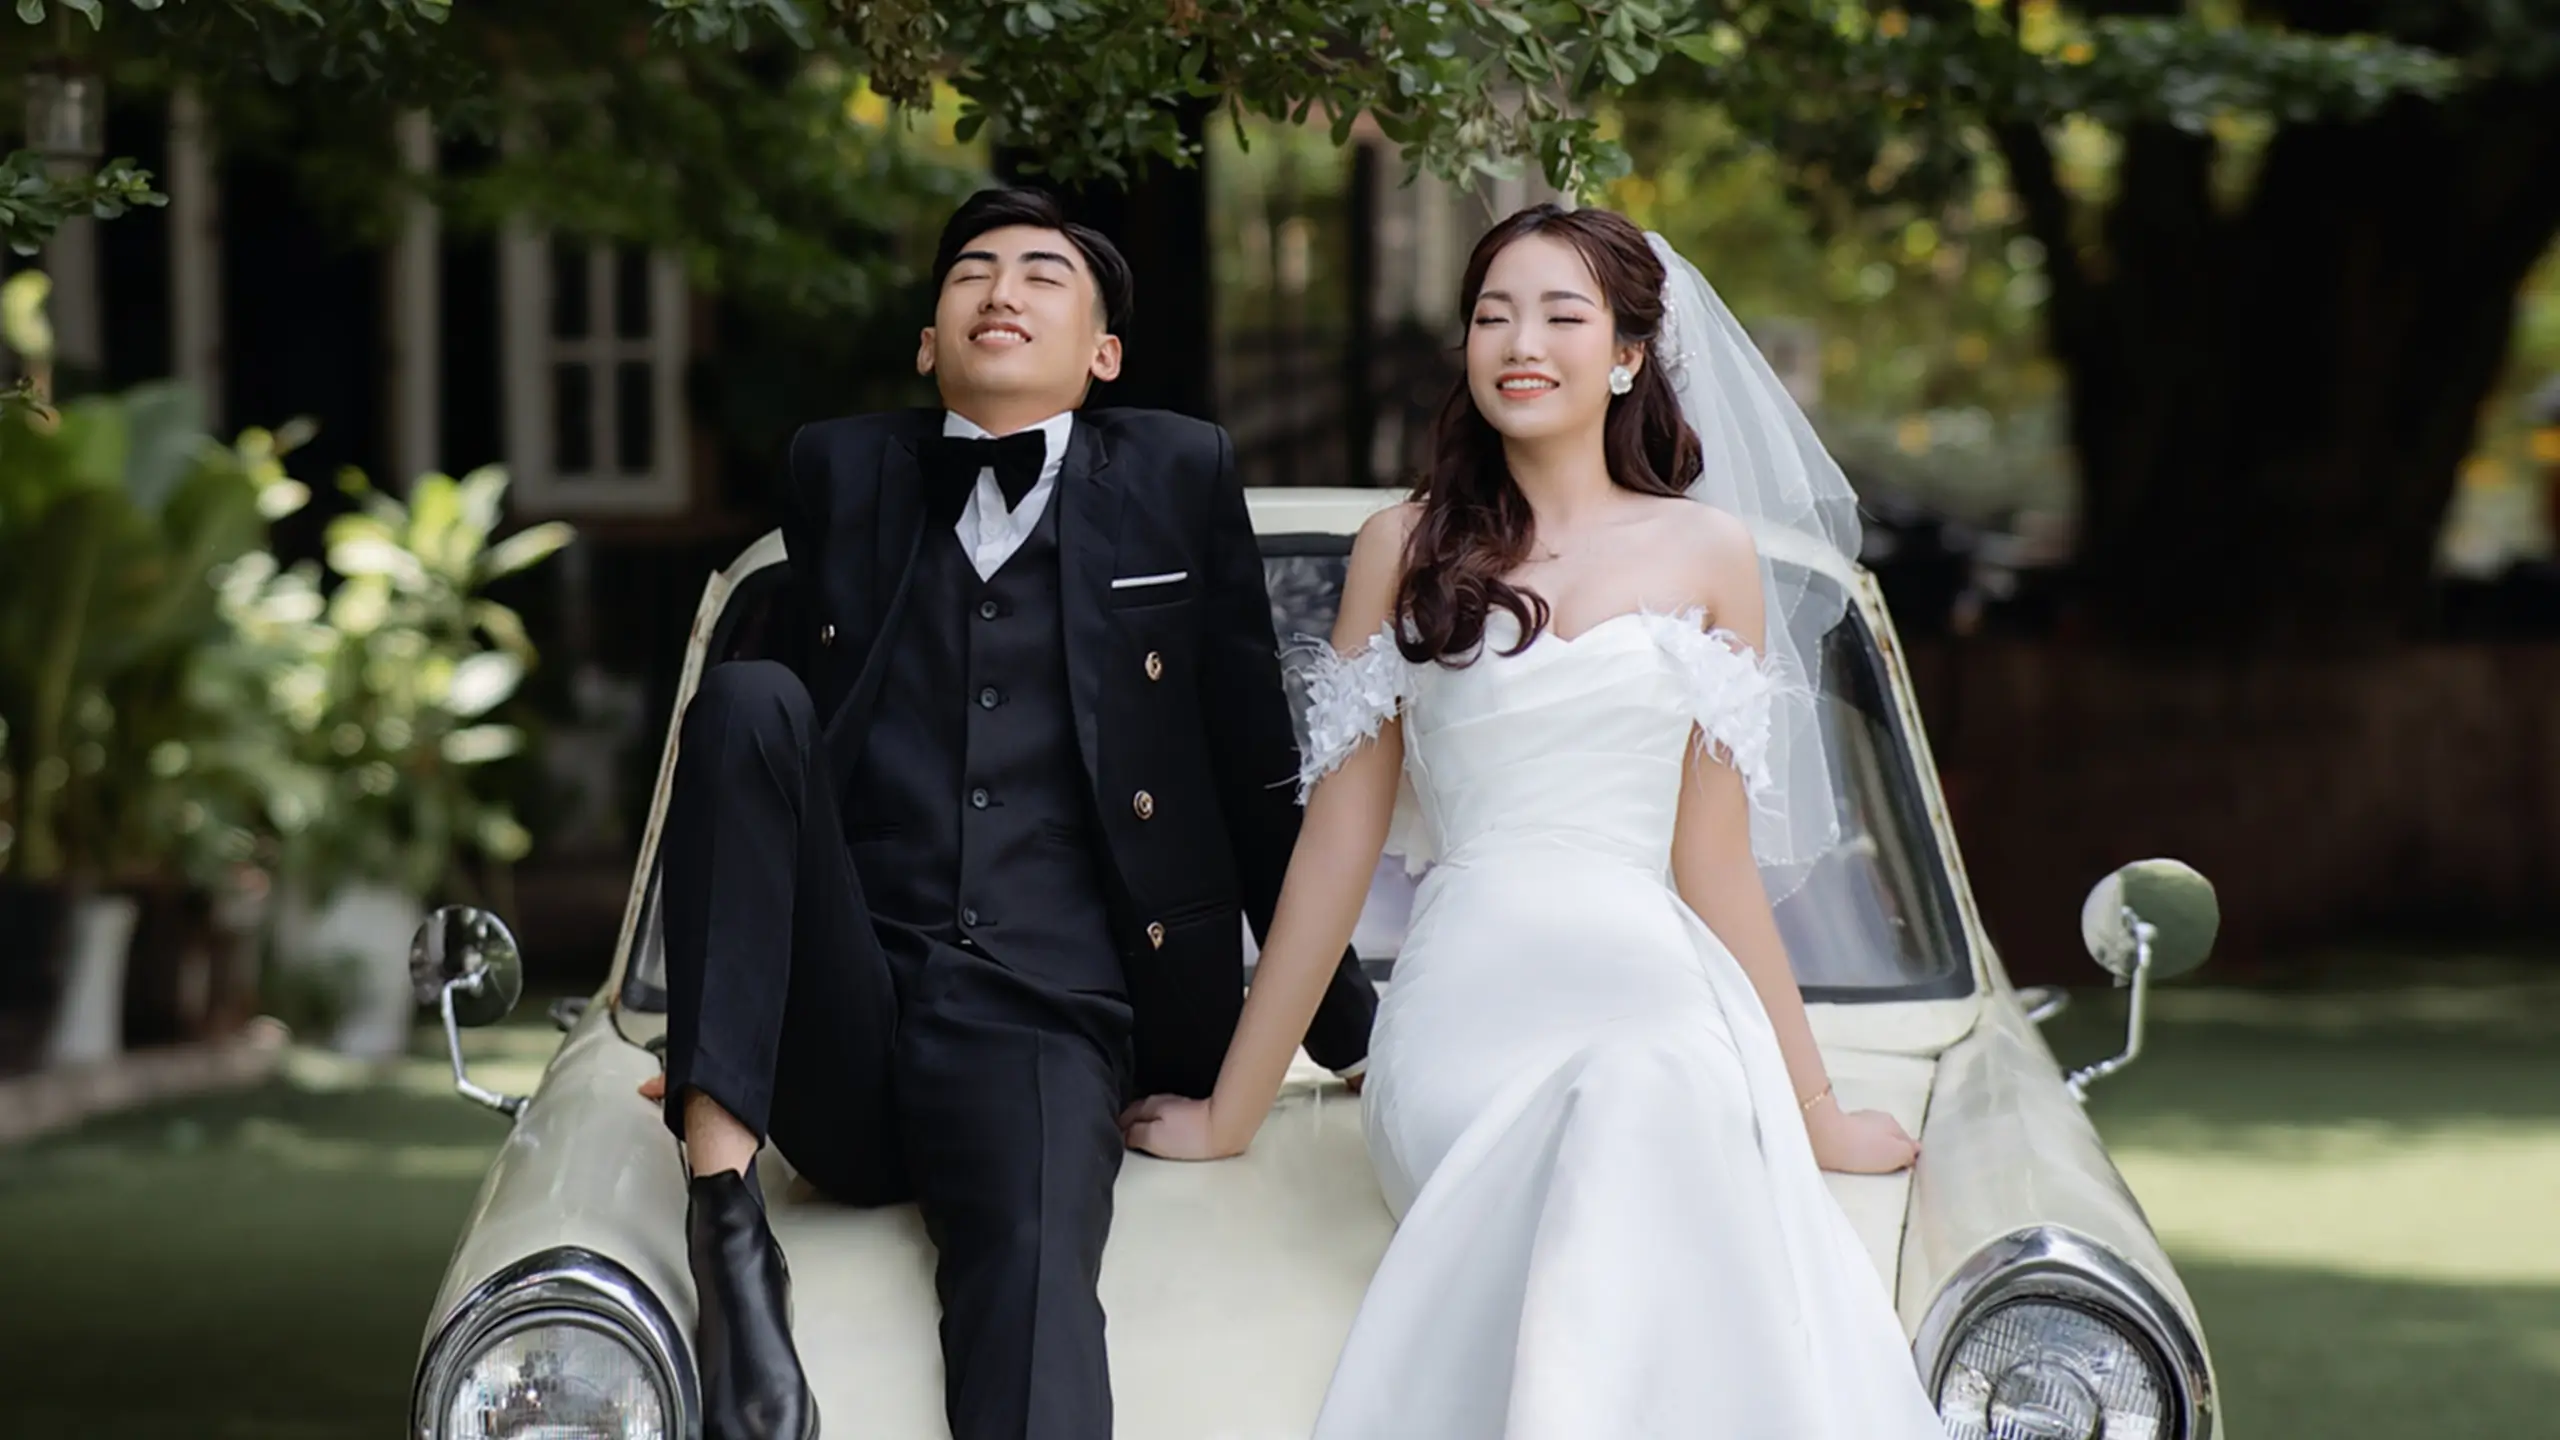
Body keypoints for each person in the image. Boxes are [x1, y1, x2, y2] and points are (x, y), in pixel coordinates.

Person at [1119, 204, 1945, 1437]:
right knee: (1625, 1104)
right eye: (1494, 312)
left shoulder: (1712, 555)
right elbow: (1335, 851)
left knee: (1648, 1078)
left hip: (1656, 991)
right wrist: (1234, 1110)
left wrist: (1815, 1111)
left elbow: (1710, 864)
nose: (1521, 339)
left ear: (1624, 357)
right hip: (1464, 1019)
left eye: (1563, 314)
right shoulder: (1399, 547)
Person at [645, 186, 1379, 1440]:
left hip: (1049, 1012)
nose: (1002, 291)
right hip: (856, 1002)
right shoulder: (842, 470)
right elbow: (776, 774)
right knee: (747, 701)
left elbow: (1252, 760)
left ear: (1102, 356)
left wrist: (1359, 1036)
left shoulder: (1174, 470)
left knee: (1035, 1289)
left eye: (1043, 274)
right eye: (972, 272)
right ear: (928, 343)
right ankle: (729, 1244)